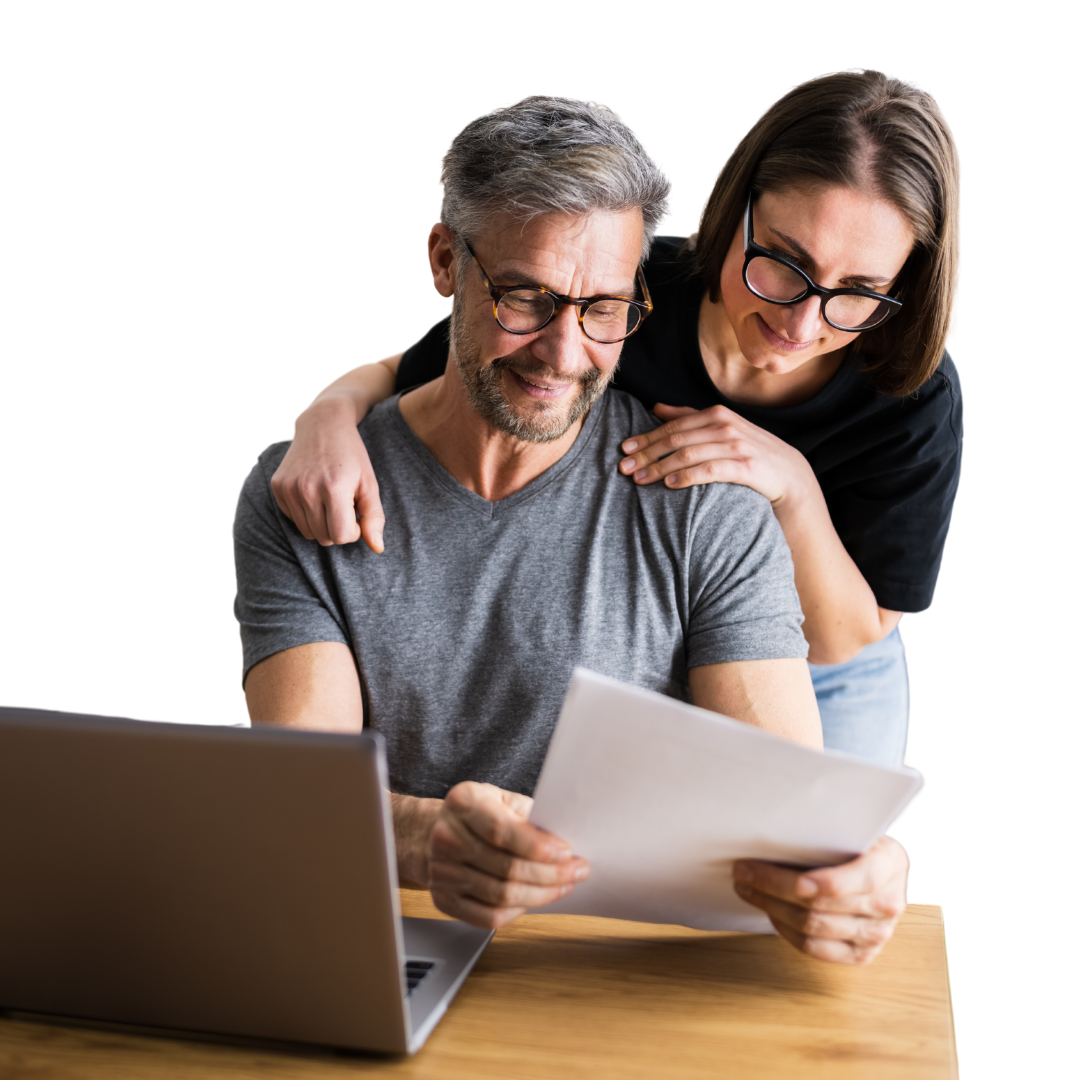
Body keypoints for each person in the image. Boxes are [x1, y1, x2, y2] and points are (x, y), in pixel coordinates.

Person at [236, 96, 909, 966]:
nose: (562, 354)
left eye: (604, 309)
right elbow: (297, 795)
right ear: (446, 261)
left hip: (616, 975)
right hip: (386, 951)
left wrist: (869, 867)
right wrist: (421, 839)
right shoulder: (312, 492)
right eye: (525, 297)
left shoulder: (711, 502)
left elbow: (787, 819)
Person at [271, 71, 962, 769]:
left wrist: (792, 486)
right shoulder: (614, 291)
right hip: (672, 614)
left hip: (831, 657)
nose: (802, 319)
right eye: (783, 263)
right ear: (737, 210)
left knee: (818, 854)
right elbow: (421, 370)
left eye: (859, 292)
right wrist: (326, 418)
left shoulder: (909, 390)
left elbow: (847, 636)